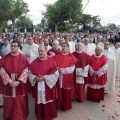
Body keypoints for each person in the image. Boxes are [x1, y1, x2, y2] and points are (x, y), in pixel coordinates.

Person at [0, 40, 29, 120]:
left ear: (19, 47)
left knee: (19, 101)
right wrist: (9, 81)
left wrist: (18, 82)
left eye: (15, 46)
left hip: (20, 84)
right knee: (9, 101)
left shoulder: (23, 58)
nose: (13, 47)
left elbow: (25, 71)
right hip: (9, 83)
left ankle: (20, 116)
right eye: (12, 45)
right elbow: (2, 70)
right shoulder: (5, 58)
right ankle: (9, 116)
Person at [29, 45, 59, 120]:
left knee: (48, 100)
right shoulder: (35, 62)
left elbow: (56, 74)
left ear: (46, 51)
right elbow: (30, 73)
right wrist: (35, 78)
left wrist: (44, 77)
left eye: (41, 51)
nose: (39, 52)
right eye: (39, 51)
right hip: (38, 85)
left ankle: (48, 115)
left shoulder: (51, 61)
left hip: (47, 85)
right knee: (39, 99)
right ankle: (40, 114)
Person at [54, 42, 77, 111]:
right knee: (58, 91)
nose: (63, 47)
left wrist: (61, 70)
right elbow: (53, 65)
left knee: (65, 93)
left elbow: (71, 69)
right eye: (62, 46)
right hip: (58, 77)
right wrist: (57, 69)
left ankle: (65, 106)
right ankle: (58, 105)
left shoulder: (71, 57)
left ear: (68, 48)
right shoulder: (57, 56)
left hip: (67, 78)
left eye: (65, 46)